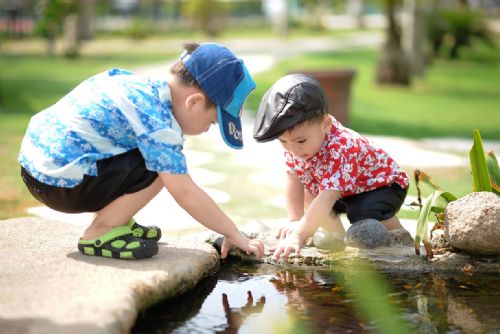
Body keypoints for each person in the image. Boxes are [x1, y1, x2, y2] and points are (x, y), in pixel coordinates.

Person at [19, 42, 264, 260]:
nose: (207, 130)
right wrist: (232, 233)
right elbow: (185, 192)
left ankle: (118, 220)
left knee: (150, 155)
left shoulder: (140, 87)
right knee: (163, 169)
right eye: (212, 123)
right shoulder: (158, 122)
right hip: (60, 185)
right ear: (195, 102)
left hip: (36, 169)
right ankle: (101, 231)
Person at [253, 73, 409, 261]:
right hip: (345, 190)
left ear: (325, 124)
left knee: (361, 213)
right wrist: (295, 220)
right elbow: (293, 178)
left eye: (300, 140)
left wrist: (298, 236)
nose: (293, 149)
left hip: (382, 186)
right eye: (283, 142)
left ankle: (399, 238)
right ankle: (336, 241)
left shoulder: (342, 147)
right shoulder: (296, 145)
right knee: (312, 194)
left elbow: (329, 196)